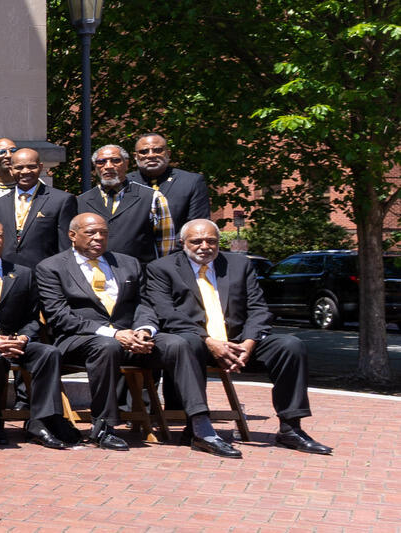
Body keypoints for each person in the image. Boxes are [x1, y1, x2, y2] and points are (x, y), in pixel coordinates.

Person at [141, 218, 331, 456]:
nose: (204, 246)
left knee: (289, 345)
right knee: (186, 342)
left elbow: (259, 309)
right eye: (196, 241)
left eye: (211, 241)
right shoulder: (161, 268)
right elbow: (167, 313)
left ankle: (291, 428)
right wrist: (209, 342)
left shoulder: (239, 265)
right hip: (195, 344)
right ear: (182, 243)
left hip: (237, 343)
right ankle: (201, 429)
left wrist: (249, 343)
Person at [36, 212, 195, 451]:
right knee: (106, 346)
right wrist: (113, 334)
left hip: (130, 338)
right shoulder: (52, 267)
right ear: (72, 235)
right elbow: (60, 316)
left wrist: (144, 330)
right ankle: (104, 427)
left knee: (178, 343)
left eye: (103, 233)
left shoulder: (127, 263)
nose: (98, 238)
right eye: (91, 233)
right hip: (78, 341)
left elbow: (143, 303)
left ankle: (199, 424)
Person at [0, 218, 71, 448]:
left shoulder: (23, 273)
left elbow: (33, 316)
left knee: (49, 353)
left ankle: (41, 422)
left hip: (16, 341)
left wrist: (24, 337)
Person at [115, 134, 214, 264]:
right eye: (144, 151)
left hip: (177, 260)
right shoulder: (124, 184)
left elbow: (196, 223)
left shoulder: (191, 182)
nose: (150, 155)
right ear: (135, 156)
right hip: (133, 262)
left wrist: (168, 255)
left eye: (157, 150)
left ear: (168, 153)